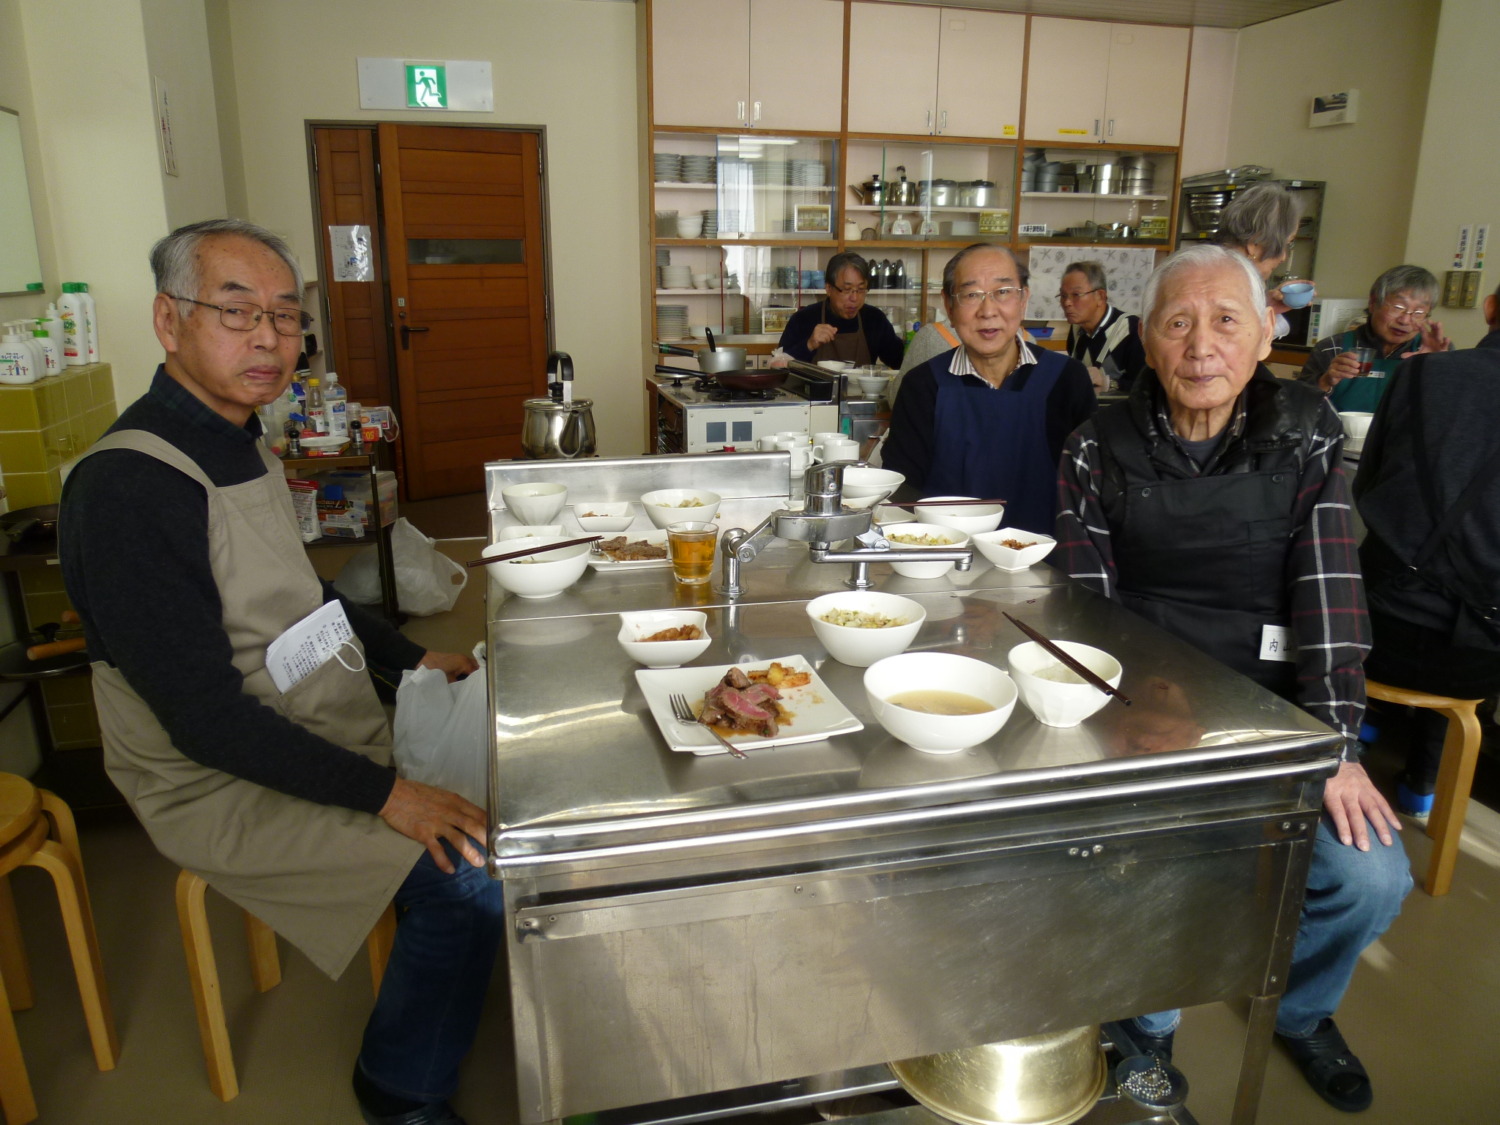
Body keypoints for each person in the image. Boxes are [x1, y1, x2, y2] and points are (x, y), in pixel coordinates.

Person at [59, 219, 503, 1125]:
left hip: (304, 713)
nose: (267, 337)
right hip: (209, 776)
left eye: (286, 316)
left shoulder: (244, 440)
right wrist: (389, 796)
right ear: (169, 320)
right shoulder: (129, 486)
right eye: (236, 311)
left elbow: (307, 601)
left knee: (508, 771)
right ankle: (400, 1091)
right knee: (468, 875)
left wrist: (416, 656)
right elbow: (203, 722)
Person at [1056, 243, 1410, 1114]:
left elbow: (1330, 592)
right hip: (1144, 705)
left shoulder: (1306, 430)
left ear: (1264, 335)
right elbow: (1089, 615)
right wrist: (1130, 724)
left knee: (1371, 876)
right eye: (1178, 323)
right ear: (1146, 339)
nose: (1201, 345)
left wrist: (1338, 744)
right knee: (1160, 851)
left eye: (1225, 321)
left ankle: (1301, 1008)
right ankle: (1145, 1024)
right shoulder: (1094, 446)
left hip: (1275, 710)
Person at [1355, 283, 1500, 816]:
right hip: (1478, 659)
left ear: (1489, 307)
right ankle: (1425, 781)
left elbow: (1365, 485)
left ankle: (1362, 727)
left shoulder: (1420, 374)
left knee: (1387, 570)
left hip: (1373, 630)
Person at [881, 244, 1094, 534]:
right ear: (949, 306)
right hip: (946, 550)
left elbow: (1090, 490)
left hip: (1045, 554)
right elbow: (902, 489)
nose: (988, 310)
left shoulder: (1067, 379)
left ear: (1023, 299)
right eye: (971, 295)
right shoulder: (923, 385)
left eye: (1003, 292)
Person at [1298, 264, 1451, 412]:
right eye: (1398, 307)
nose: (1405, 320)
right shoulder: (1331, 347)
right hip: (1338, 430)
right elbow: (1296, 409)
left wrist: (1436, 369)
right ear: (1372, 303)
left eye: (1418, 312)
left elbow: (1449, 415)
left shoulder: (1438, 351)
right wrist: (1326, 381)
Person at [777, 250, 905, 368]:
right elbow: (778, 367)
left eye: (861, 289)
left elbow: (901, 362)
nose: (854, 298)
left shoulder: (874, 319)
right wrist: (809, 345)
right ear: (829, 288)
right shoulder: (803, 319)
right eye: (847, 290)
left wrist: (912, 343)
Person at [1213, 180, 1307, 338]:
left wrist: (1266, 305)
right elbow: (1233, 343)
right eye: (1285, 244)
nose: (1283, 257)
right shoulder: (1214, 283)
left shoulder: (1231, 278)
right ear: (1255, 242)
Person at [1059, 259, 1146, 394]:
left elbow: (1146, 388)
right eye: (1063, 296)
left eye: (1076, 295)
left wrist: (1109, 383)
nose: (1067, 303)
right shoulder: (1076, 329)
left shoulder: (1132, 329)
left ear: (1100, 296)